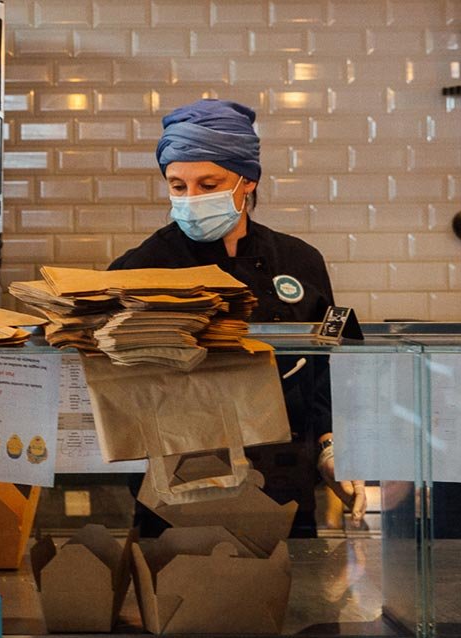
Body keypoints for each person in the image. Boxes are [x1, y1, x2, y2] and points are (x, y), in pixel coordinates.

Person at [109, 99, 356, 535]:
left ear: (248, 181)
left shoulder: (301, 261)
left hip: (283, 483)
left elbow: (323, 370)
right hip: (175, 489)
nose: (191, 199)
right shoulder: (138, 268)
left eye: (208, 184)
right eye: (178, 186)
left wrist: (331, 448)